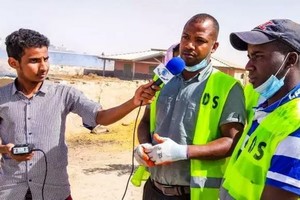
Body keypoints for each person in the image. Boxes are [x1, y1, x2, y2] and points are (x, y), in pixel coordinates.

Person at [0, 28, 159, 200]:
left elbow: (100, 117)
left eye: (46, 59)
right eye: (34, 61)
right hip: (10, 191)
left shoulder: (65, 94)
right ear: (13, 63)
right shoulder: (2, 97)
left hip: (55, 192)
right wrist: (6, 150)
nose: (43, 66)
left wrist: (133, 102)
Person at [134, 13, 246, 200]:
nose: (189, 45)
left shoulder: (227, 87)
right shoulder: (163, 79)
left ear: (214, 46)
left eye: (199, 40)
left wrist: (182, 152)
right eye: (185, 37)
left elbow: (232, 142)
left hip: (193, 194)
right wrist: (144, 145)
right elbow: (146, 121)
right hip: (153, 190)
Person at [220, 19, 300, 200]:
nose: (248, 66)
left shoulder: (295, 124)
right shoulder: (269, 107)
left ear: (290, 60)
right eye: (249, 57)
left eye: (258, 56)